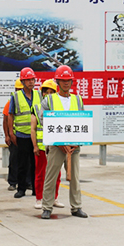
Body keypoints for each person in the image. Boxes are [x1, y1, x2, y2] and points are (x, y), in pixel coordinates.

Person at [37, 65, 88, 219]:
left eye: (68, 80)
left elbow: (82, 121)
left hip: (73, 147)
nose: (66, 83)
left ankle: (76, 207)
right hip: (56, 146)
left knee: (75, 178)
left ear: (72, 81)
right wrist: (58, 142)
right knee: (51, 176)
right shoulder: (49, 100)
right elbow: (43, 120)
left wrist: (77, 142)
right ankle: (47, 207)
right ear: (57, 82)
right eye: (63, 80)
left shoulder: (77, 100)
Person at [7, 68, 40, 198]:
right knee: (22, 164)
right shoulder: (16, 96)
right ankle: (21, 189)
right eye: (28, 80)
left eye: (32, 79)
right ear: (22, 82)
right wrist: (11, 133)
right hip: (21, 135)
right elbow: (10, 115)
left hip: (36, 136)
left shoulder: (39, 95)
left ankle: (36, 189)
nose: (31, 82)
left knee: (35, 163)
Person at [31, 79, 63, 209]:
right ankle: (39, 199)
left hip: (56, 147)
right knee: (41, 174)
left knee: (57, 174)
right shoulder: (37, 108)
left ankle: (54, 198)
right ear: (42, 93)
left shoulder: (59, 108)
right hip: (42, 147)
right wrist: (35, 146)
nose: (48, 95)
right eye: (46, 92)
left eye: (51, 92)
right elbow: (33, 129)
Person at [5, 79, 24, 193]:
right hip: (15, 136)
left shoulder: (30, 100)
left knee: (26, 161)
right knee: (14, 160)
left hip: (26, 136)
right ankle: (12, 182)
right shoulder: (11, 101)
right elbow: (5, 119)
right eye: (18, 89)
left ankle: (27, 182)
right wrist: (8, 135)